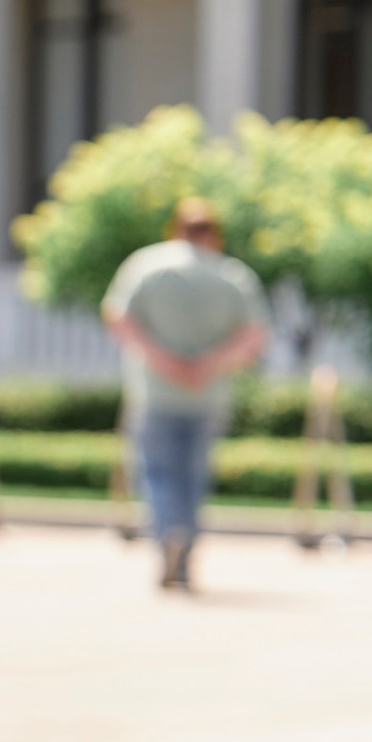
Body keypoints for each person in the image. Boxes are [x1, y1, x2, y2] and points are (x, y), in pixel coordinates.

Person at [102, 195, 268, 590]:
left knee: (157, 474)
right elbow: (254, 337)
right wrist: (207, 365)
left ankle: (166, 537)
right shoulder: (232, 275)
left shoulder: (147, 265)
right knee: (193, 476)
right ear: (214, 233)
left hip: (156, 392)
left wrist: (163, 360)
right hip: (207, 394)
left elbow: (118, 318)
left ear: (177, 228)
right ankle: (187, 544)